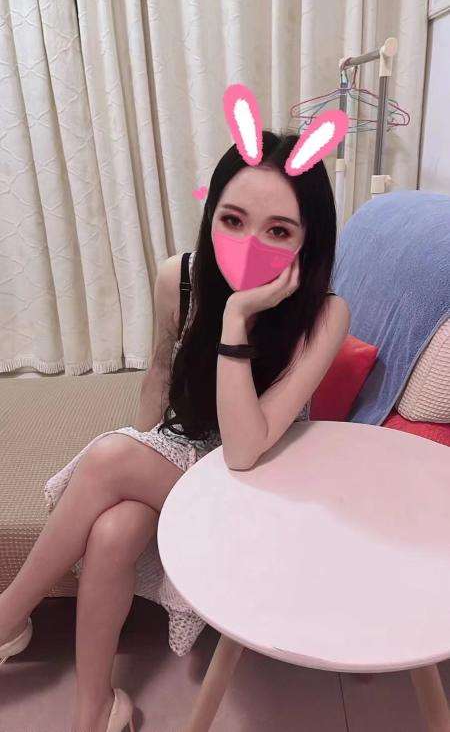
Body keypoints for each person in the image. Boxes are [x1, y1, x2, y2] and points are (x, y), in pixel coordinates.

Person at [0, 130, 350, 732]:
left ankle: (7, 616)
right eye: (232, 220)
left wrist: (237, 318)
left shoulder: (325, 315)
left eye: (278, 231)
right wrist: (138, 464)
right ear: (210, 215)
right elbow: (160, 375)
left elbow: (245, 451)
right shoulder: (180, 278)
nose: (249, 244)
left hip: (256, 476)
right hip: (181, 451)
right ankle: (94, 712)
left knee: (109, 458)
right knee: (114, 527)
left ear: (308, 240)